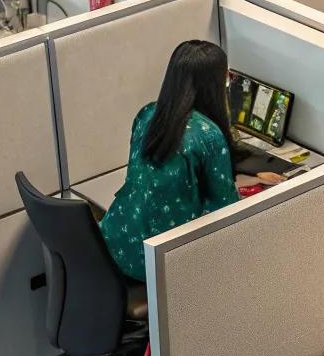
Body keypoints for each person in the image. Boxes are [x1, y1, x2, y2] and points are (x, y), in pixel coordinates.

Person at [99, 40, 279, 281]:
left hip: (114, 240)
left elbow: (165, 179)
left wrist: (248, 177)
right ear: (214, 83)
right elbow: (226, 210)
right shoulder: (208, 135)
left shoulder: (148, 113)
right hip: (154, 264)